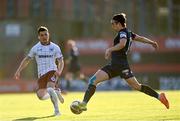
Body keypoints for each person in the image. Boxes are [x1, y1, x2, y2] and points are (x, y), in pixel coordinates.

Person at [76, 13, 169, 112]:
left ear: (119, 23)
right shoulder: (129, 32)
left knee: (136, 86)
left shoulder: (122, 33)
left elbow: (122, 44)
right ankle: (84, 104)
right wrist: (152, 42)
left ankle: (160, 97)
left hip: (120, 65)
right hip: (115, 65)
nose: (112, 25)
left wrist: (110, 50)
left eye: (113, 23)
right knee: (93, 81)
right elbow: (140, 38)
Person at [14, 26, 64, 116]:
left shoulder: (55, 47)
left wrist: (59, 70)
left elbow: (61, 61)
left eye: (45, 34)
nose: (44, 37)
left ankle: (57, 111)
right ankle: (56, 92)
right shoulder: (35, 48)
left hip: (53, 71)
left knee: (49, 88)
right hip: (41, 74)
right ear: (38, 37)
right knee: (41, 96)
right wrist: (18, 70)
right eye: (42, 35)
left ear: (48, 35)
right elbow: (27, 60)